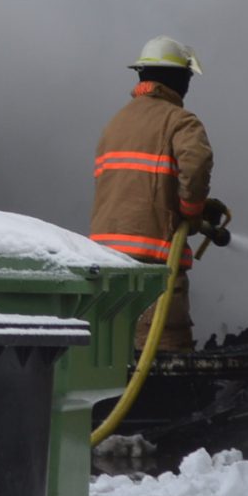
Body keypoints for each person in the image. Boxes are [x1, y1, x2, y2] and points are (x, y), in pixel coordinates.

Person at [90, 35, 224, 353]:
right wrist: (192, 212)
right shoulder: (180, 121)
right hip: (155, 262)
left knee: (112, 353)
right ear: (179, 78)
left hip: (104, 260)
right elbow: (196, 165)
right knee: (165, 351)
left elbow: (138, 186)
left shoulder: (115, 124)